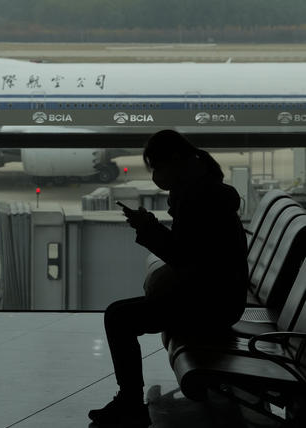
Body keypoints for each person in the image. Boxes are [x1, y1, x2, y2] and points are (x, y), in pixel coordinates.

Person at [88, 129, 248, 427]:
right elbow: (192, 255)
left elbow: (184, 258)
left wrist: (147, 228)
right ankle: (129, 400)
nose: (156, 176)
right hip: (218, 296)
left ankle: (131, 402)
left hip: (211, 304)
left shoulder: (200, 197)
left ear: (175, 160)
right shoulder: (204, 189)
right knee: (121, 314)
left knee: (119, 318)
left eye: (157, 167)